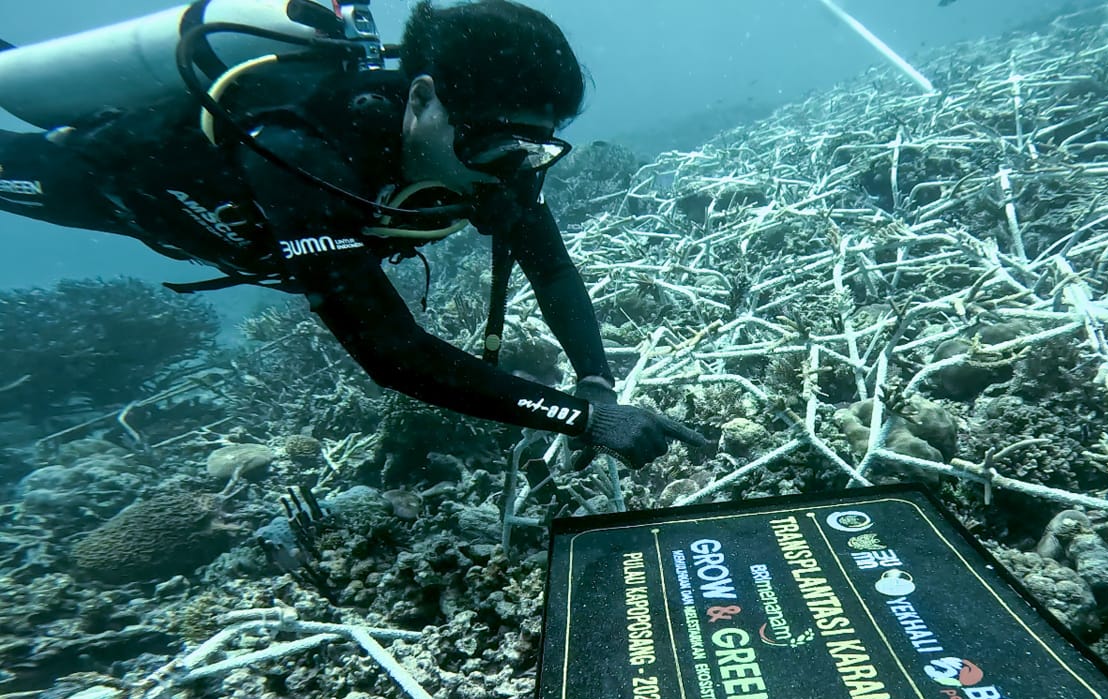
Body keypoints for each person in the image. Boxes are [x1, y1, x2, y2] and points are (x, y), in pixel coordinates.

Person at [0, 0, 705, 469]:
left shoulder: (500, 159)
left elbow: (552, 272)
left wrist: (595, 380)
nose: (508, 167)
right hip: (110, 179)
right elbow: (394, 354)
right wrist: (581, 419)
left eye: (532, 145)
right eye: (492, 139)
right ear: (422, 97)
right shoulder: (303, 151)